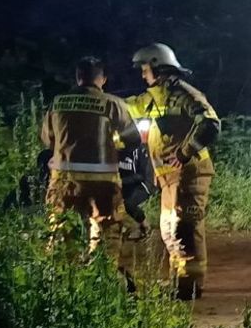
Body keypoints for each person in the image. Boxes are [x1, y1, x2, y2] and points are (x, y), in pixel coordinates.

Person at [127, 43, 220, 300]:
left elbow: (210, 123)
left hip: (190, 174)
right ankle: (180, 282)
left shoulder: (184, 95)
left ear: (158, 67)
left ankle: (188, 287)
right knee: (170, 229)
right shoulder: (154, 98)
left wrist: (183, 152)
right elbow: (127, 107)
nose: (143, 75)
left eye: (145, 69)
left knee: (184, 228)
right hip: (169, 177)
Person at [41, 56, 141, 271]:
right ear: (102, 79)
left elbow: (48, 140)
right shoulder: (112, 104)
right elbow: (133, 140)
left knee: (62, 230)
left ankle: (63, 281)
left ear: (78, 77)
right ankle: (106, 281)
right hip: (102, 182)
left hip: (64, 181)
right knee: (108, 230)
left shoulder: (58, 103)